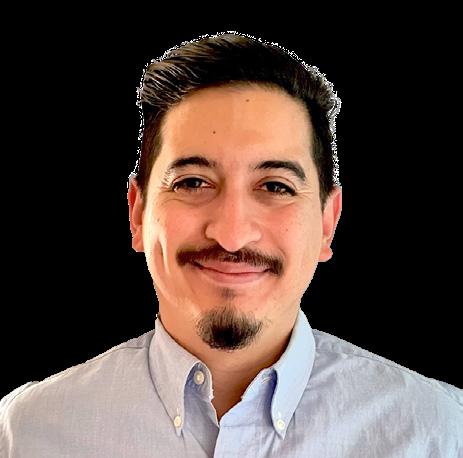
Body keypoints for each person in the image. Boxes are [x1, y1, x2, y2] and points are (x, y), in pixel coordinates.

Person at [1, 31, 461, 457]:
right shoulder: (26, 433)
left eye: (276, 186)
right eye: (193, 182)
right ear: (138, 213)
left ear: (327, 222)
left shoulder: (441, 431)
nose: (232, 233)